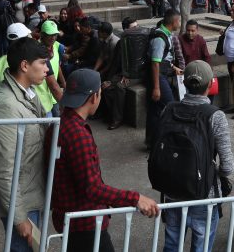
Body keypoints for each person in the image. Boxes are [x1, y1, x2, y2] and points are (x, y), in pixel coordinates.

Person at [52, 69, 160, 251]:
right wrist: (135, 198)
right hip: (84, 224)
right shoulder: (78, 135)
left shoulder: (60, 124)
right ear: (94, 97)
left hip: (68, 217)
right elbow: (92, 188)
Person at [0, 37, 49, 252]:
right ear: (25, 65)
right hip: (21, 199)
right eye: (43, 63)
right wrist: (19, 217)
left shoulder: (26, 91)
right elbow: (2, 169)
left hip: (30, 189)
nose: (47, 69)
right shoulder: (5, 107)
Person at [159, 61, 234, 252]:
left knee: (172, 244)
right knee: (201, 246)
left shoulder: (168, 110)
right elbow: (227, 166)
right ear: (210, 85)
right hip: (204, 194)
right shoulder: (215, 116)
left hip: (172, 190)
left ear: (184, 83)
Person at [147, 9, 182, 146]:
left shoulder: (166, 35)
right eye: (178, 21)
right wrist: (156, 88)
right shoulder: (159, 38)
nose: (179, 23)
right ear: (174, 22)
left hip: (163, 73)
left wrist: (174, 68)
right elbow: (155, 63)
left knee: (155, 110)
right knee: (170, 105)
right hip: (158, 77)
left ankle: (153, 140)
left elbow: (163, 59)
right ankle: (167, 139)